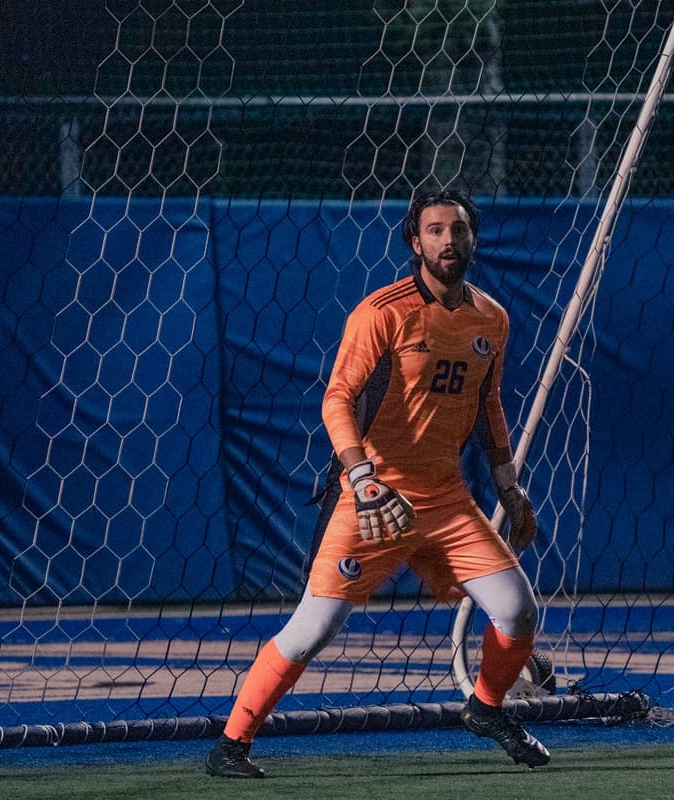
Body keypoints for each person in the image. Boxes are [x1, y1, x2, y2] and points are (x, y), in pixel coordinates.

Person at [206, 189, 547, 779]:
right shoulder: (382, 312)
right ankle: (231, 745)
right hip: (373, 498)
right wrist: (360, 478)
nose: (448, 241)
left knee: (518, 610)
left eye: (458, 230)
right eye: (436, 231)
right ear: (415, 242)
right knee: (314, 628)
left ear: (473, 239)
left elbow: (488, 403)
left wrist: (508, 486)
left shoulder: (492, 318)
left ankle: (487, 710)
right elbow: (336, 398)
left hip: (446, 499)